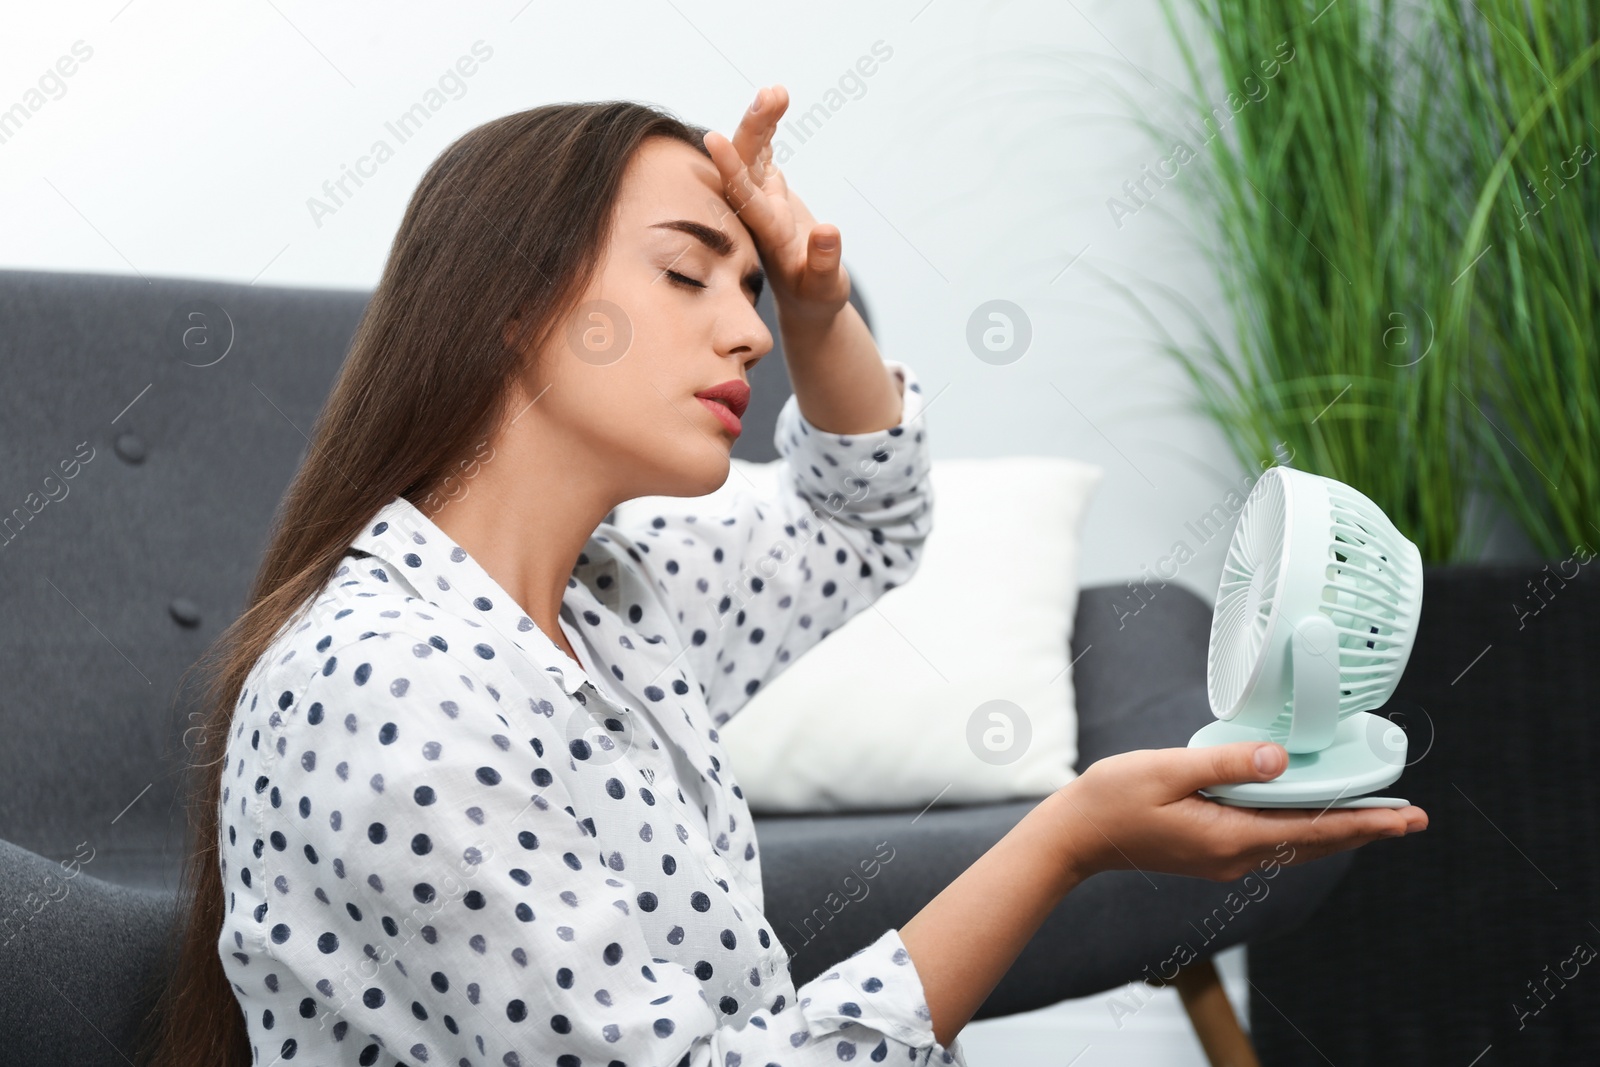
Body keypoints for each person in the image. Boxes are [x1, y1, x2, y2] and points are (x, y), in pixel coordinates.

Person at [137, 85, 1428, 1067]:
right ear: (512, 304)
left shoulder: (611, 599)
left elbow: (863, 521)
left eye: (750, 290)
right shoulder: (397, 696)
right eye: (689, 271)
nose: (748, 327)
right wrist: (1065, 842)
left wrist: (820, 305)